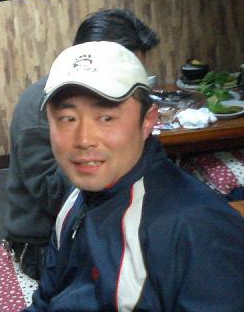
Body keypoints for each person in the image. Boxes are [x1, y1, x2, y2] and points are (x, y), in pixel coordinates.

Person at [25, 41, 244, 311]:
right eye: (68, 118)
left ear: (147, 121)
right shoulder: (78, 198)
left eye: (106, 117)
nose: (83, 139)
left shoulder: (198, 230)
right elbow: (46, 300)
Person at [5, 9, 159, 279]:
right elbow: (55, 195)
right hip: (42, 244)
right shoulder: (39, 106)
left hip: (94, 223)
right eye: (127, 70)